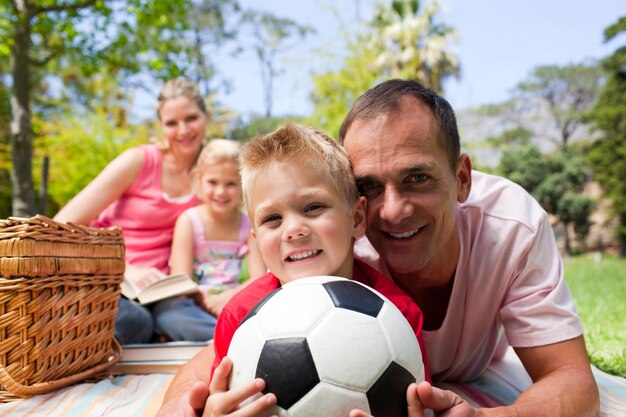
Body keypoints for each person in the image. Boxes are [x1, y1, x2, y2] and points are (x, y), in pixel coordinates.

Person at [157, 80, 600, 417]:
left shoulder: (512, 226)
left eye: (417, 178)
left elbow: (572, 379)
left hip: (475, 369)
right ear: (355, 201)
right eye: (369, 185)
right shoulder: (329, 246)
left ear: (462, 178)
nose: (392, 211)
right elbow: (225, 351)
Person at [206, 123, 430, 416]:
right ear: (256, 237)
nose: (294, 230)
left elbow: (420, 404)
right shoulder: (238, 317)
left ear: (357, 218)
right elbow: (219, 399)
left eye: (313, 207)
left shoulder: (400, 314)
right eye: (272, 218)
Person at [54, 78, 206, 344]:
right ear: (161, 125)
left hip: (160, 291)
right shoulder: (138, 161)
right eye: (171, 123)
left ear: (206, 117)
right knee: (134, 322)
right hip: (111, 276)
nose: (183, 130)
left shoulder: (212, 175)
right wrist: (126, 269)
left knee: (178, 321)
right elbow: (61, 226)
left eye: (191, 118)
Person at [165, 139, 266, 341]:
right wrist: (207, 301)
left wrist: (226, 299)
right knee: (168, 314)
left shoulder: (247, 224)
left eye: (230, 184)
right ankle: (227, 338)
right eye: (213, 182)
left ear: (243, 184)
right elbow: (181, 279)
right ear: (199, 180)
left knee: (263, 304)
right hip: (195, 304)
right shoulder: (189, 221)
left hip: (233, 302)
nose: (220, 192)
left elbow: (259, 277)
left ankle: (224, 335)